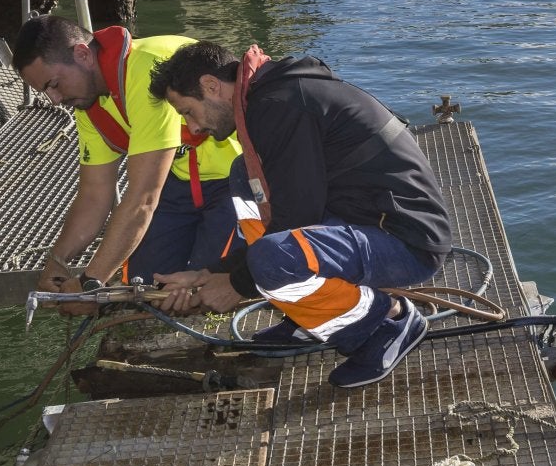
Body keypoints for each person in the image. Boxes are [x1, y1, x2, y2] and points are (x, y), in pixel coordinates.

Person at [145, 40, 452, 390]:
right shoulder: (270, 97)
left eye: (188, 111)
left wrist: (234, 285)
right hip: (360, 220)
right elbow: (285, 218)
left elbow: (295, 220)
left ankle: (388, 322)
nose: (193, 128)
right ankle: (307, 314)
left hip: (406, 240)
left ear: (211, 86)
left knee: (275, 258)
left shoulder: (278, 105)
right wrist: (209, 272)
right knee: (244, 176)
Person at [13, 17, 242, 304]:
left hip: (233, 179)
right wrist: (57, 261)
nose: (55, 100)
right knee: (144, 288)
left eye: (55, 84)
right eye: (46, 92)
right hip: (177, 181)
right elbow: (94, 195)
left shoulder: (144, 70)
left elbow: (143, 199)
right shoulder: (88, 103)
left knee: (204, 293)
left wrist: (90, 282)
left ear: (82, 55)